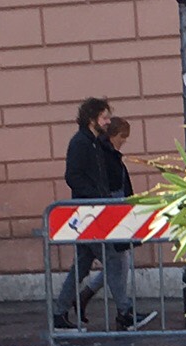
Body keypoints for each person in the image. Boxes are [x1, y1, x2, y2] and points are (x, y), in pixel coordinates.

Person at [51, 97, 134, 330]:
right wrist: (96, 197)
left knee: (82, 265)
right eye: (104, 117)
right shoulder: (80, 143)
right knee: (113, 259)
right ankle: (124, 312)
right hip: (88, 212)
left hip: (94, 211)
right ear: (91, 119)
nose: (108, 122)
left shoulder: (93, 143)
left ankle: (59, 313)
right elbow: (73, 176)